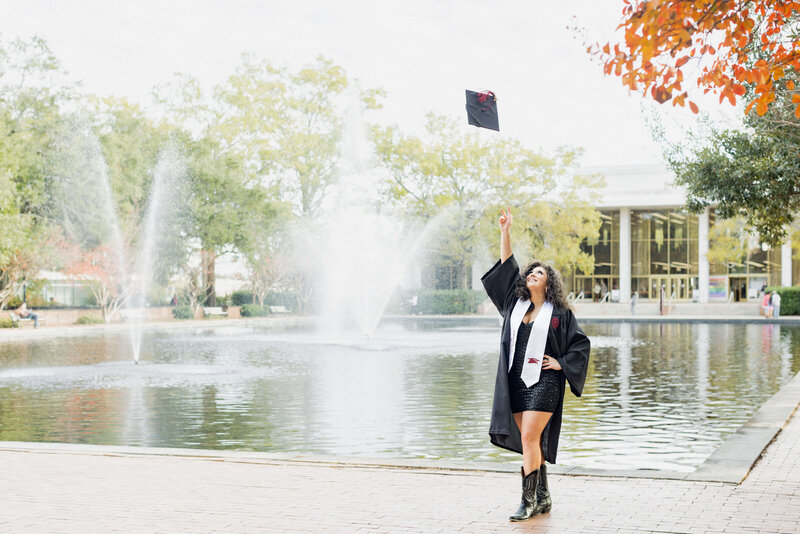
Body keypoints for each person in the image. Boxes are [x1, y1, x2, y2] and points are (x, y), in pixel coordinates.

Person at [481, 207, 591, 522]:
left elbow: (581, 344)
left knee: (529, 437)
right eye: (530, 272)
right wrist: (505, 232)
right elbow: (506, 266)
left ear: (548, 282)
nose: (532, 275)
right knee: (531, 440)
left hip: (543, 382)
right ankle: (543, 496)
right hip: (516, 380)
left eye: (539, 273)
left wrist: (559, 363)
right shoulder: (514, 305)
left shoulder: (559, 314)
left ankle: (527, 502)